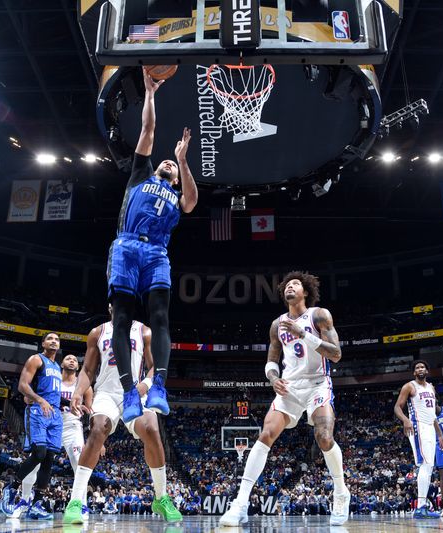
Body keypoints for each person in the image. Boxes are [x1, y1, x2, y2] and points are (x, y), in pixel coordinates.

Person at [220, 272, 350, 526]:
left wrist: (303, 334)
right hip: (290, 386)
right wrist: (272, 378)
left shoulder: (319, 315)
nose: (290, 286)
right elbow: (271, 359)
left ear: (306, 292)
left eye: (296, 284)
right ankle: (240, 503)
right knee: (265, 434)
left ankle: (341, 492)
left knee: (324, 437)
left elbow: (336, 354)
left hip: (317, 383)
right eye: (287, 285)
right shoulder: (276, 324)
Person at [106, 68, 197, 425]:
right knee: (122, 320)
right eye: (168, 162)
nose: (168, 163)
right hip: (126, 247)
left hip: (157, 253)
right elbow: (148, 130)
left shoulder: (177, 194)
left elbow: (192, 202)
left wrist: (185, 160)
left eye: (171, 166)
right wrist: (150, 93)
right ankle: (130, 391)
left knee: (160, 317)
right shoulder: (140, 175)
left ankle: (158, 384)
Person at [64, 305, 182, 524]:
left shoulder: (143, 331)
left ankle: (161, 497)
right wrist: (78, 392)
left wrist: (145, 386)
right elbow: (88, 370)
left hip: (134, 391)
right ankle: (76, 501)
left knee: (151, 427)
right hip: (106, 393)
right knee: (98, 428)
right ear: (109, 306)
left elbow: (155, 365)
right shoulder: (97, 332)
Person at [9, 353, 93, 522]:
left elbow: (90, 414)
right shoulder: (49, 379)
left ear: (78, 366)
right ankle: (24, 501)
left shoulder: (84, 386)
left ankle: (80, 503)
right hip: (47, 423)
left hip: (71, 427)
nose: (72, 360)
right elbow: (27, 397)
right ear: (61, 363)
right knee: (35, 463)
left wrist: (93, 438)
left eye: (75, 360)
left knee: (79, 463)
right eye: (68, 358)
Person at [4, 332, 63, 520]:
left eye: (57, 340)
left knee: (49, 459)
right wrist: (39, 399)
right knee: (39, 453)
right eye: (50, 339)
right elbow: (22, 385)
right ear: (43, 343)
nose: (54, 341)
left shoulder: (57, 367)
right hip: (38, 409)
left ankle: (36, 503)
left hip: (54, 413)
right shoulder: (36, 359)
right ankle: (11, 488)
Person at [394, 360, 443, 519]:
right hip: (417, 426)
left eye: (423, 367)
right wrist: (405, 420)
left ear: (427, 371)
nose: (420, 369)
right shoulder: (409, 386)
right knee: (425, 464)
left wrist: (440, 435)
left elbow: (433, 415)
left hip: (431, 428)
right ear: (414, 372)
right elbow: (397, 407)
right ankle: (421, 507)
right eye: (417, 367)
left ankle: (422, 507)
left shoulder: (431, 387)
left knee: (429, 466)